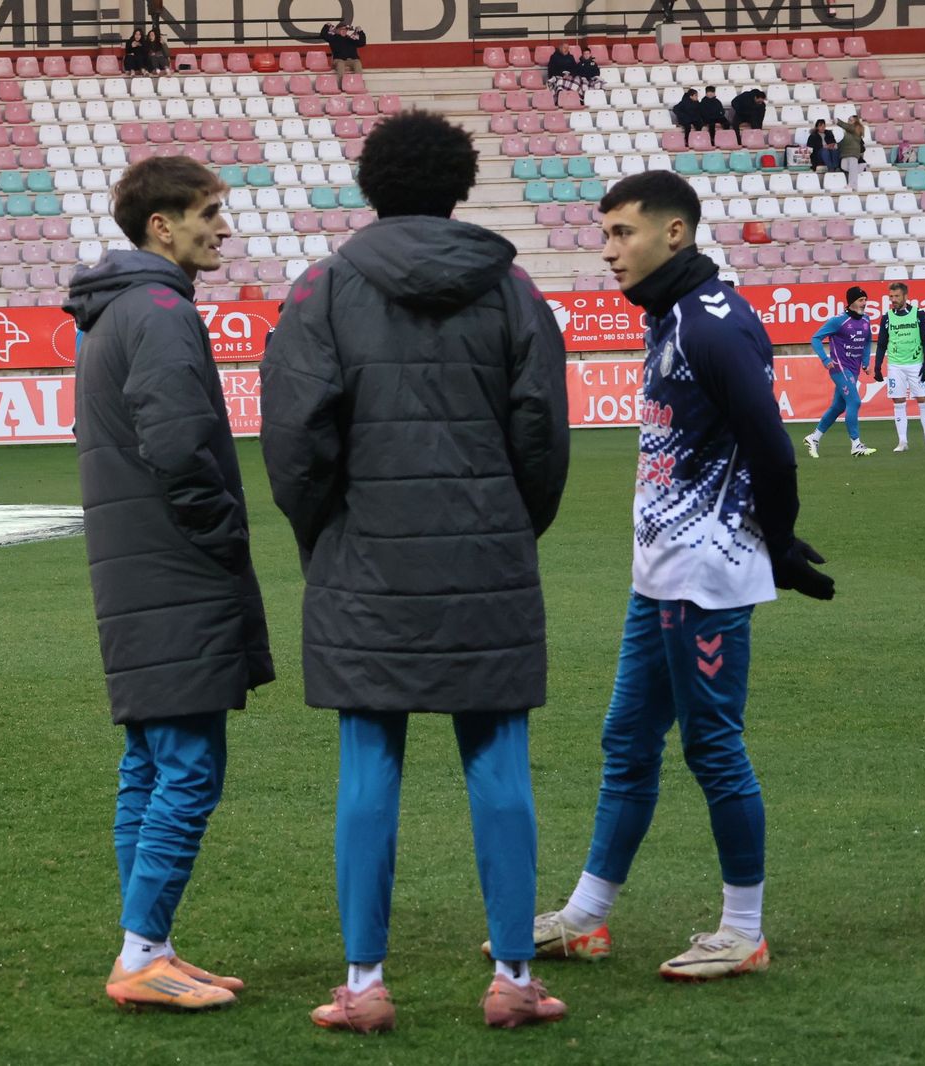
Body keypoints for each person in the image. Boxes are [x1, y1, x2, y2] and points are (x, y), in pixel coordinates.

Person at [260, 109, 570, 1034]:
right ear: (460, 186)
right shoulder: (513, 289)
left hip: (366, 559)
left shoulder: (321, 290)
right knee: (499, 763)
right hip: (487, 554)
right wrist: (511, 526)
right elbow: (543, 436)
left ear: (370, 187)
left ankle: (364, 985)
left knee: (369, 765)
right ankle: (514, 975)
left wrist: (325, 534)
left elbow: (294, 440)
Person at [528, 169, 835, 986]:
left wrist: (781, 541)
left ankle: (744, 929)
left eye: (621, 233)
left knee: (713, 749)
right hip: (660, 575)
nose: (607, 252)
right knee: (626, 742)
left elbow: (770, 443)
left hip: (705, 579)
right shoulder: (668, 316)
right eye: (604, 235)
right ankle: (587, 919)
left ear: (674, 234)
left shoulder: (712, 323)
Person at [63, 154, 274, 1012]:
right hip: (174, 567)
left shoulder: (114, 312)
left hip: (136, 565)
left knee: (149, 765)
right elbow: (181, 446)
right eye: (208, 213)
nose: (222, 227)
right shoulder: (159, 312)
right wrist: (224, 533)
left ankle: (147, 943)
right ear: (163, 226)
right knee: (187, 767)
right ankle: (142, 955)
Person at [802, 286, 878, 458]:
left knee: (838, 406)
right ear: (851, 302)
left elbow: (867, 341)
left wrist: (866, 362)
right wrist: (825, 359)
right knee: (855, 401)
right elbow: (815, 338)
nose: (864, 303)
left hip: (854, 369)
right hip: (839, 368)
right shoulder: (838, 321)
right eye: (860, 300)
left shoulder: (866, 319)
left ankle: (814, 438)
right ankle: (856, 445)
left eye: (865, 299)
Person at [873, 281, 925, 452]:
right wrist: (877, 366)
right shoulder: (887, 317)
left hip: (916, 364)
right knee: (898, 401)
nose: (893, 299)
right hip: (895, 366)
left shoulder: (919, 314)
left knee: (923, 399)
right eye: (891, 296)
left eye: (897, 296)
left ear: (905, 296)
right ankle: (902, 442)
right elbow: (882, 344)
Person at [838, 114, 866, 181]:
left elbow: (846, 126)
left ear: (855, 122)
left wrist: (838, 121)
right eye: (848, 120)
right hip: (846, 153)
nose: (848, 122)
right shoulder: (848, 132)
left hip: (853, 152)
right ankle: (862, 167)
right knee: (844, 166)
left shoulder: (854, 129)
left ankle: (852, 185)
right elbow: (845, 141)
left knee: (852, 169)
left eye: (850, 120)